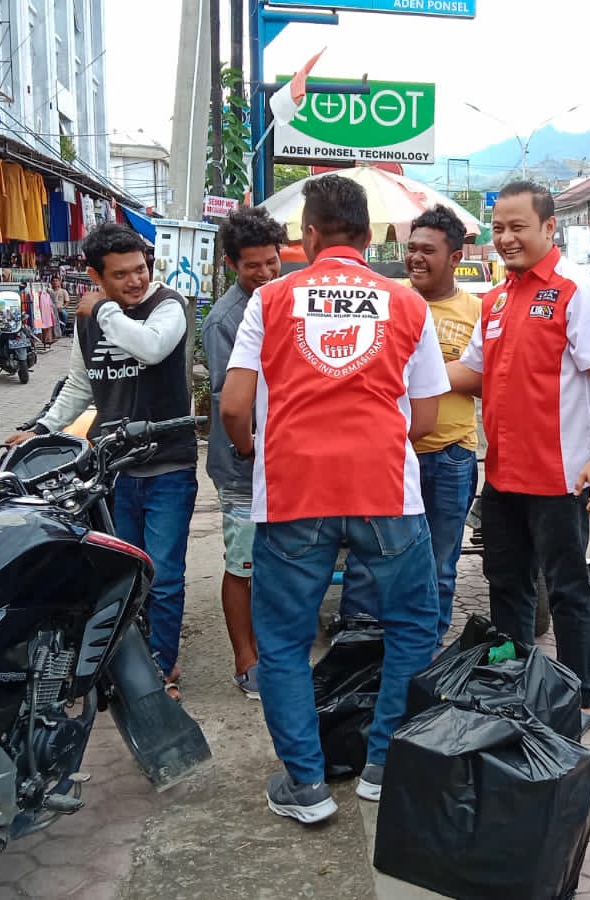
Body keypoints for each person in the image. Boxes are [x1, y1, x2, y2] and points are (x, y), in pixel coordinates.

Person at [221, 174, 447, 824]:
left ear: (309, 235)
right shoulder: (408, 305)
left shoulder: (270, 300)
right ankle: (383, 767)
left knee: (283, 640)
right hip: (386, 489)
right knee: (413, 625)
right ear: (371, 235)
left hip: (295, 490)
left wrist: (254, 449)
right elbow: (427, 417)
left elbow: (234, 407)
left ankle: (306, 785)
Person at [445, 181, 590, 732]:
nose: (506, 238)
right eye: (498, 228)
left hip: (561, 478)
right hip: (503, 475)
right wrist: (402, 373)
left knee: (567, 590)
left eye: (517, 227)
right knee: (507, 586)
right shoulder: (497, 299)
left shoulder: (577, 290)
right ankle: (517, 685)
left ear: (549, 227)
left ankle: (579, 701)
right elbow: (471, 373)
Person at [7, 223, 199, 699]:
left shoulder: (167, 305)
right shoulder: (90, 318)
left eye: (140, 269)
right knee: (123, 575)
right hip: (113, 469)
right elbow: (80, 385)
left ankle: (160, 671)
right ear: (96, 275)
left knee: (163, 574)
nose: (135, 280)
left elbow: (152, 347)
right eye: (121, 274)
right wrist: (41, 429)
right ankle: (129, 663)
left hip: (167, 465)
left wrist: (104, 308)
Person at [338, 204, 482, 641]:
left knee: (438, 563)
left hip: (450, 456)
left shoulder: (476, 311)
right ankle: (358, 648)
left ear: (455, 258)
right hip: (387, 453)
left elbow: (482, 377)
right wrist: (439, 373)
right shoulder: (384, 300)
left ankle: (426, 649)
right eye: (412, 248)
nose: (415, 258)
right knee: (367, 560)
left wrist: (411, 375)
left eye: (428, 251)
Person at [203, 206, 287, 698]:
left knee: (277, 561)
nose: (265, 273)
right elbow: (229, 402)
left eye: (272, 261)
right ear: (232, 264)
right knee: (243, 564)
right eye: (252, 265)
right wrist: (251, 449)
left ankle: (273, 649)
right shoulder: (225, 320)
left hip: (282, 457)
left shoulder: (286, 299)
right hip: (243, 462)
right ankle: (245, 658)